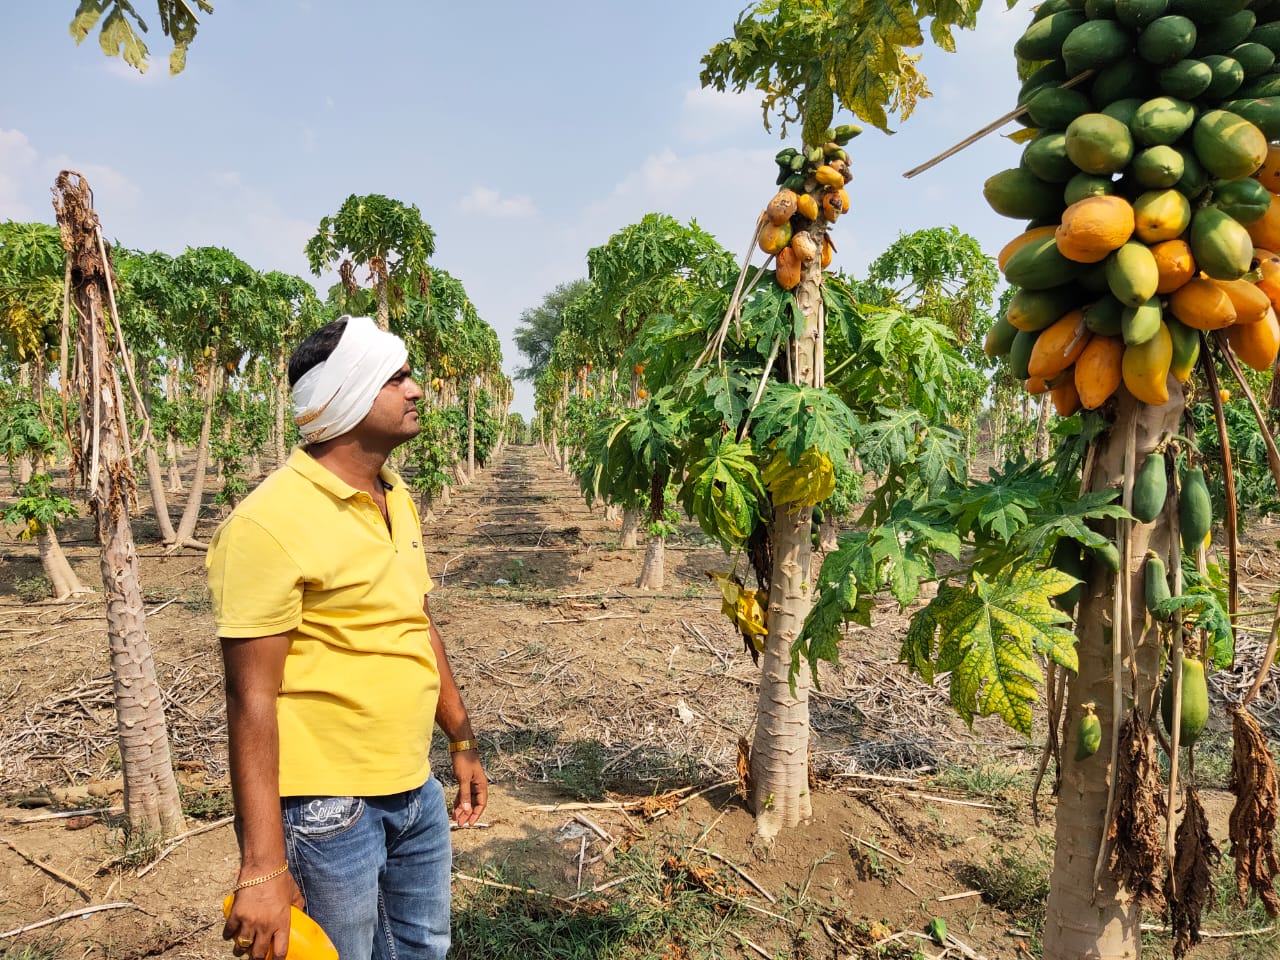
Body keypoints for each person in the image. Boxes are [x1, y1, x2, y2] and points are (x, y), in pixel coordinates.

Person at [208, 315, 487, 960]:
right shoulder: (268, 524)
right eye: (396, 377)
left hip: (413, 789)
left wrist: (461, 739)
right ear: (346, 394)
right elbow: (250, 699)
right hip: (327, 811)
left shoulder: (396, 497)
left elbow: (415, 623)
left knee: (424, 948)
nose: (416, 390)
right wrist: (262, 864)